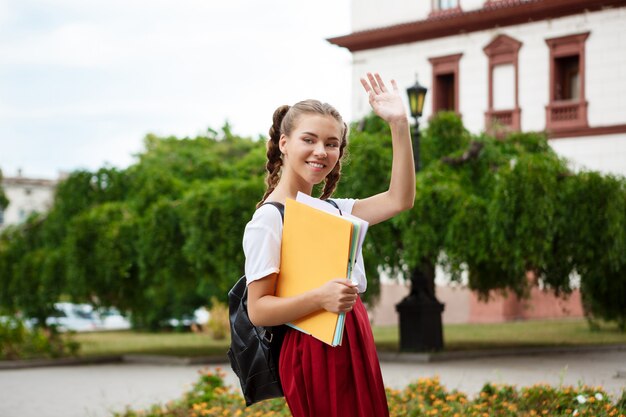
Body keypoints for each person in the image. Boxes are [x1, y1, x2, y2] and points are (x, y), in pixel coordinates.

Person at [242, 72, 415, 417]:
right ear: (284, 142)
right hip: (312, 347)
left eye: (332, 143)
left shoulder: (336, 210)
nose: (321, 151)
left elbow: (400, 199)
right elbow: (258, 309)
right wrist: (320, 297)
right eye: (309, 139)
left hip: (352, 334)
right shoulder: (269, 218)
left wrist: (399, 124)